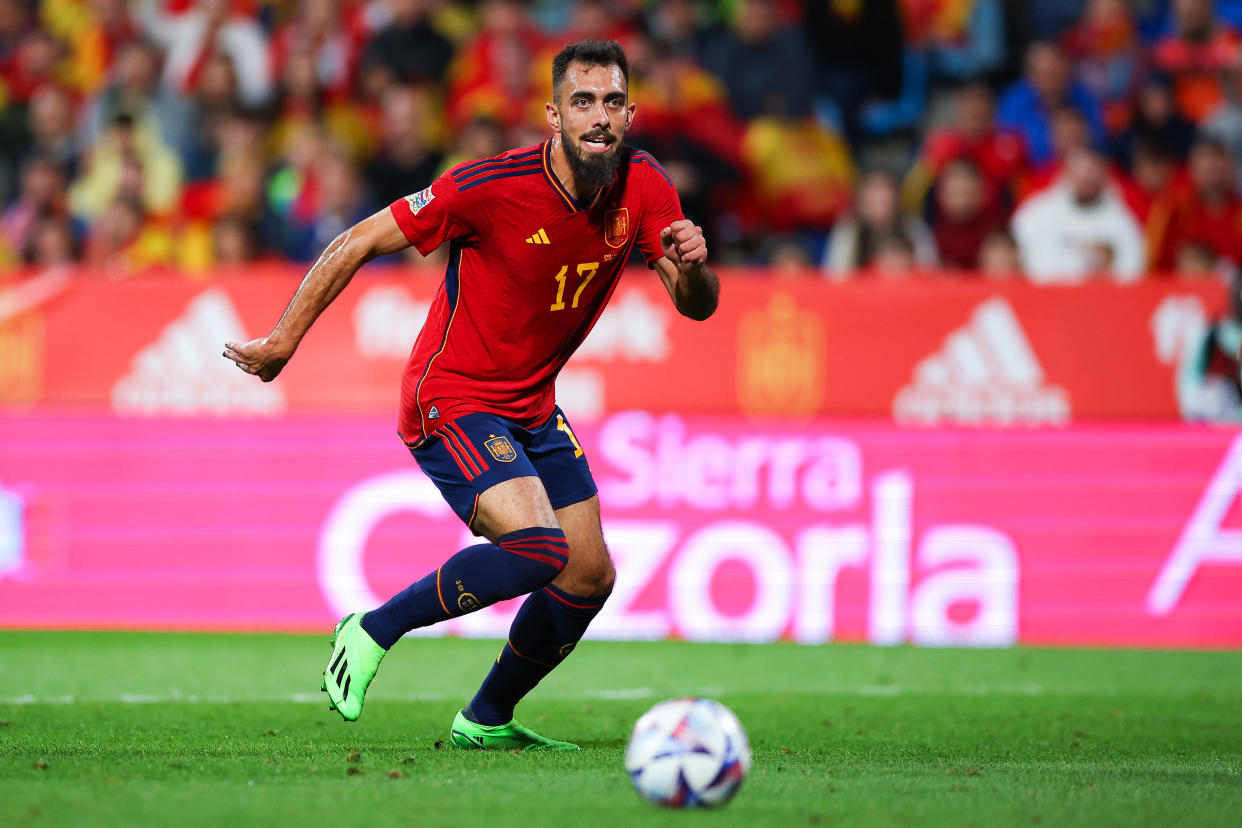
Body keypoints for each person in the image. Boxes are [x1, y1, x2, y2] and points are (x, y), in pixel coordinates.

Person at [222, 40, 719, 751]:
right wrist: (281, 342)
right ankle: (373, 627)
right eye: (582, 102)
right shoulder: (488, 185)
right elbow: (360, 239)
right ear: (553, 114)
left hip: (533, 404)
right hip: (450, 395)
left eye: (612, 102)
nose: (599, 117)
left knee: (589, 574)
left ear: (631, 112)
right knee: (540, 548)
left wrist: (695, 266)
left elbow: (695, 306)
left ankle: (486, 718)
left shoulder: (644, 185)